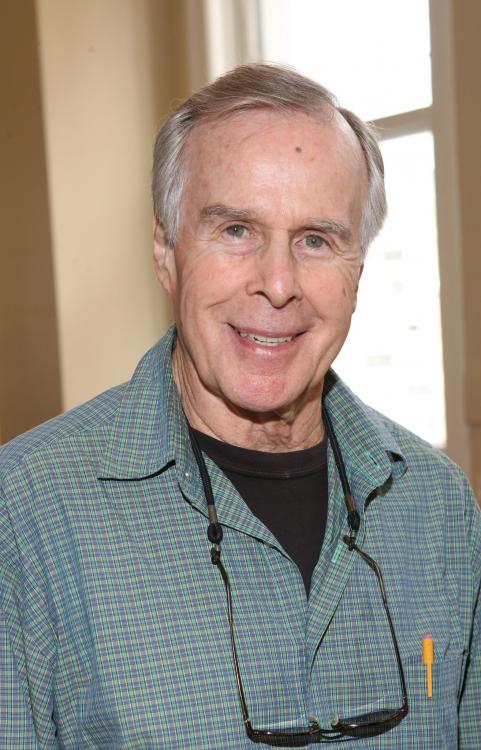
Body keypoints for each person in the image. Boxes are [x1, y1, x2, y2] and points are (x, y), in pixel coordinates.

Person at [0, 64, 479, 749]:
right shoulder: (25, 514)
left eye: (316, 240)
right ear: (166, 252)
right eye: (235, 230)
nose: (278, 284)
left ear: (357, 272)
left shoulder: (438, 507)